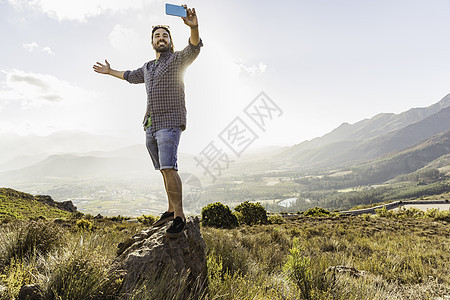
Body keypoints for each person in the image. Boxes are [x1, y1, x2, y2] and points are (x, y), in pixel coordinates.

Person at [93, 5, 202, 238]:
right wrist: (110, 71)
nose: (160, 38)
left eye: (164, 36)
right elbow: (130, 76)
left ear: (170, 41)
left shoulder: (177, 60)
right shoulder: (148, 67)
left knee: (169, 167)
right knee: (163, 170)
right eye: (157, 36)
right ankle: (171, 210)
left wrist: (194, 27)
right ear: (152, 42)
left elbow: (193, 48)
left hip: (170, 121)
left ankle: (180, 216)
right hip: (150, 124)